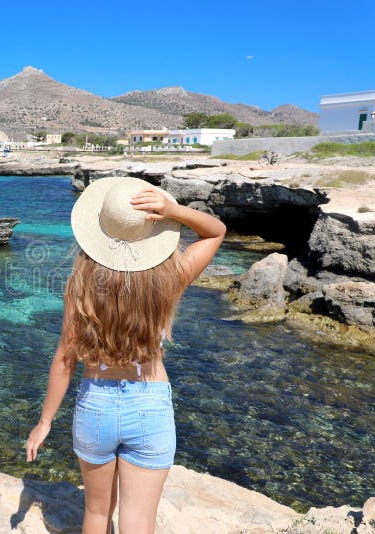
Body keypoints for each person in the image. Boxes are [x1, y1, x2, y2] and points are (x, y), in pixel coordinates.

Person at [25, 177, 226, 534]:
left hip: (95, 408)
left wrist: (45, 422)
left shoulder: (81, 286)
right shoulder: (170, 278)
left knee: (98, 513)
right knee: (138, 521)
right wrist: (174, 211)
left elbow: (64, 360)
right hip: (150, 406)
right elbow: (215, 232)